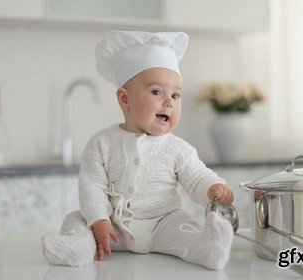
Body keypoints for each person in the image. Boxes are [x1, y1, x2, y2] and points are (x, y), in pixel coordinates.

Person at [42, 30, 235, 270]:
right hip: (112, 231)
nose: (169, 102)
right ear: (124, 99)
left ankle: (205, 248)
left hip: (163, 224)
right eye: (157, 92)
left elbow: (196, 176)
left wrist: (212, 188)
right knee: (76, 218)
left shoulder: (178, 148)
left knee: (185, 226)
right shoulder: (102, 143)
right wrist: (99, 220)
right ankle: (79, 247)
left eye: (176, 95)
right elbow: (91, 186)